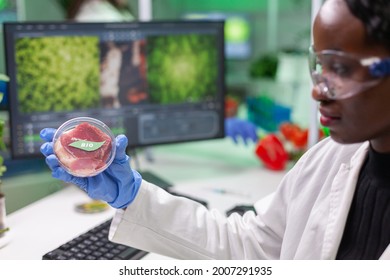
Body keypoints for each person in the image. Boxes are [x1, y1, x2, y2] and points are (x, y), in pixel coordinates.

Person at [41, 0, 390, 259]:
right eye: (320, 65)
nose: (318, 90)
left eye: (342, 69)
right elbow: (250, 247)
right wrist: (132, 196)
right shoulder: (327, 162)